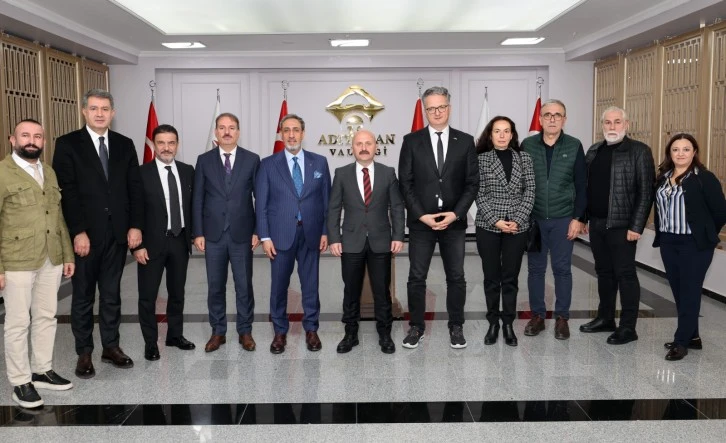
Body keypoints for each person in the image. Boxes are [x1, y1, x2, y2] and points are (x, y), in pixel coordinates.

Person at [53, 89, 144, 378]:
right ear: (84, 111)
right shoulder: (67, 144)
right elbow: (66, 192)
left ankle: (111, 347)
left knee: (111, 295)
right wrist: (78, 231)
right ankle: (84, 352)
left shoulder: (125, 144)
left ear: (113, 113)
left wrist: (135, 225)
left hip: (117, 234)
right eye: (94, 108)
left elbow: (134, 188)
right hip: (86, 236)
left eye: (105, 108)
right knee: (82, 297)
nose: (100, 113)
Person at [0, 119, 75, 408]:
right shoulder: (3, 172)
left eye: (38, 136)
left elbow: (58, 216)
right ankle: (20, 381)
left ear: (44, 141)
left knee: (46, 316)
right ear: (12, 139)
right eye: (25, 135)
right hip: (16, 259)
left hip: (50, 257)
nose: (32, 140)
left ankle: (41, 370)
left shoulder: (49, 171)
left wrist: (67, 254)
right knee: (18, 322)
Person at [398, 86, 479, 349]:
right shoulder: (411, 141)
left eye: (441, 107)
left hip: (453, 223)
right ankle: (416, 327)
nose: (436, 112)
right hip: (421, 224)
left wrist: (456, 214)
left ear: (449, 108)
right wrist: (421, 215)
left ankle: (456, 326)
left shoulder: (465, 141)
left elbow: (472, 183)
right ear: (425, 111)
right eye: (431, 108)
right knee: (416, 277)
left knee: (456, 276)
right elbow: (405, 183)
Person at [256, 114, 331, 354]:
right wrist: (265, 237)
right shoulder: (268, 164)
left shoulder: (319, 163)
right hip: (280, 236)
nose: (291, 135)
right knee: (279, 286)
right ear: (281, 134)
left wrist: (325, 231)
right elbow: (261, 204)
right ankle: (280, 331)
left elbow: (326, 202)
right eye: (286, 130)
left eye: (296, 130)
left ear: (303, 133)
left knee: (311, 285)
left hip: (311, 234)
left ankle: (311, 329)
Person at [580, 106, 655, 344]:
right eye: (608, 122)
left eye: (617, 122)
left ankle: (628, 327)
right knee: (604, 273)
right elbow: (585, 187)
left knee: (625, 274)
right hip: (597, 224)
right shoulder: (594, 150)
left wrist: (636, 226)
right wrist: (583, 217)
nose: (612, 126)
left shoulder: (639, 151)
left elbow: (646, 192)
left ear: (627, 124)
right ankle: (606, 318)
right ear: (602, 125)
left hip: (623, 226)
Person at [327, 129, 405, 354]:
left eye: (368, 143)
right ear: (352, 148)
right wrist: (334, 238)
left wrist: (398, 235)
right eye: (359, 143)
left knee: (382, 291)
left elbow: (396, 207)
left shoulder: (387, 173)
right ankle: (350, 334)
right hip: (351, 241)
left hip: (381, 240)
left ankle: (385, 334)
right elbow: (333, 208)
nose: (363, 147)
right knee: (351, 291)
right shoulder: (341, 173)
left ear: (375, 147)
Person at [653, 133, 726, 360]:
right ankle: (692, 336)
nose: (681, 153)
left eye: (686, 149)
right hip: (668, 242)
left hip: (694, 245)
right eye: (676, 149)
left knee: (690, 292)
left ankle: (681, 342)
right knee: (678, 291)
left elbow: (720, 211)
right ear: (670, 153)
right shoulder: (663, 177)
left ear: (694, 152)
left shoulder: (704, 178)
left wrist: (705, 233)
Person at [192, 113, 260, 353]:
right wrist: (198, 232)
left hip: (243, 234)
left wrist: (258, 230)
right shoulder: (204, 160)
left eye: (231, 128)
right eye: (222, 128)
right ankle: (218, 331)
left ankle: (245, 331)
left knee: (244, 285)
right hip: (213, 236)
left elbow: (260, 198)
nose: (227, 132)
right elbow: (197, 198)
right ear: (216, 132)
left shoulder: (252, 159)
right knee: (215, 286)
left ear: (238, 132)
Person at [521, 99, 586, 341]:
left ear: (564, 119)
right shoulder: (527, 145)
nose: (552, 119)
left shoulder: (574, 145)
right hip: (534, 219)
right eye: (547, 114)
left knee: (562, 269)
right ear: (540, 119)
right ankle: (537, 316)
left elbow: (582, 184)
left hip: (563, 218)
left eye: (557, 115)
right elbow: (520, 182)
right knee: (535, 270)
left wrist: (578, 218)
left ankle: (562, 319)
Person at [133, 124, 196, 361]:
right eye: (161, 143)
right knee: (148, 296)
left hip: (180, 240)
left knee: (177, 292)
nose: (166, 148)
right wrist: (136, 246)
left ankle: (175, 335)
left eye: (171, 143)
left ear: (177, 145)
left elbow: (193, 205)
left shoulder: (188, 171)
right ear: (154, 145)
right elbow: (133, 209)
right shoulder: (141, 173)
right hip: (150, 245)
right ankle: (151, 342)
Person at [474, 116, 535, 347]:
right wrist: (496, 221)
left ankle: (508, 323)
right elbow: (478, 193)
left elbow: (530, 191)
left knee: (510, 278)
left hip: (517, 227)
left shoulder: (524, 158)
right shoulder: (481, 160)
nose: (501, 135)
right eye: (497, 131)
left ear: (512, 135)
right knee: (491, 278)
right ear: (490, 135)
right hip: (488, 226)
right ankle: (493, 323)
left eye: (506, 131)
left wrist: (518, 219)